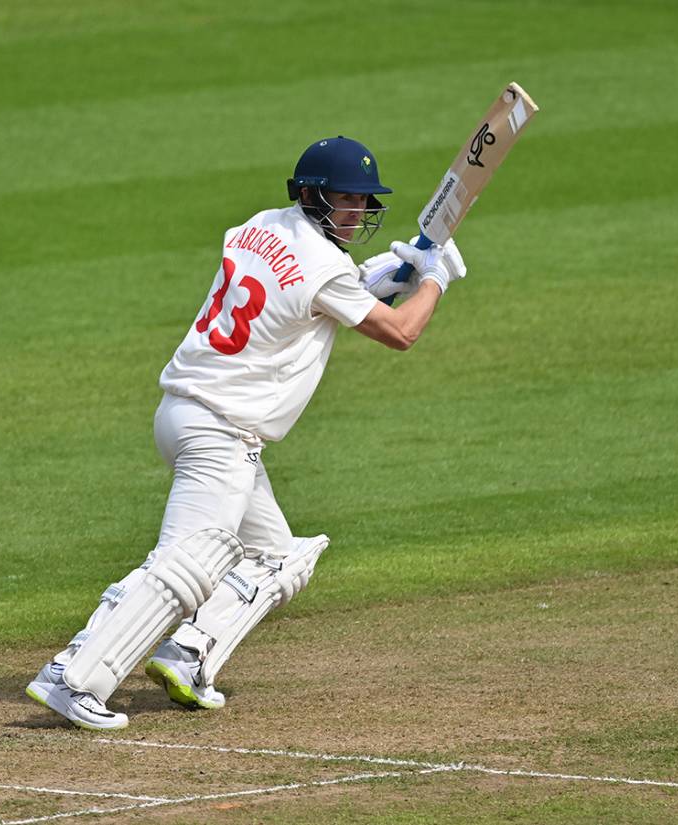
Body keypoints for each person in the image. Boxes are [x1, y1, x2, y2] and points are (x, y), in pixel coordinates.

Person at [26, 136, 468, 730]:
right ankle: (75, 676)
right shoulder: (326, 267)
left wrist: (374, 278)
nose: (359, 212)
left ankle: (187, 655)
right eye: (348, 199)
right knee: (184, 564)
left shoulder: (261, 226)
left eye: (365, 202)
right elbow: (401, 333)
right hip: (220, 434)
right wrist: (433, 278)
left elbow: (303, 301)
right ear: (312, 196)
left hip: (185, 413)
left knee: (275, 556)